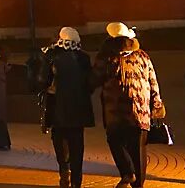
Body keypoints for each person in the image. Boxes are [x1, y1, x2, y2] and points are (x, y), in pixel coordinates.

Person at [91, 22, 165, 188]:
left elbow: (94, 79)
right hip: (140, 111)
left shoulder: (107, 56)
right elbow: (153, 81)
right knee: (138, 149)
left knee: (115, 141)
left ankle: (127, 172)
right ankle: (138, 184)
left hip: (115, 111)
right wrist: (157, 104)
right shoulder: (142, 56)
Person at [40, 27, 95, 188]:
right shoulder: (83, 58)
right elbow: (90, 84)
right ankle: (76, 181)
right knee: (77, 146)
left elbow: (43, 80)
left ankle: (65, 172)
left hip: (57, 108)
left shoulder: (51, 56)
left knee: (59, 142)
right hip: (78, 111)